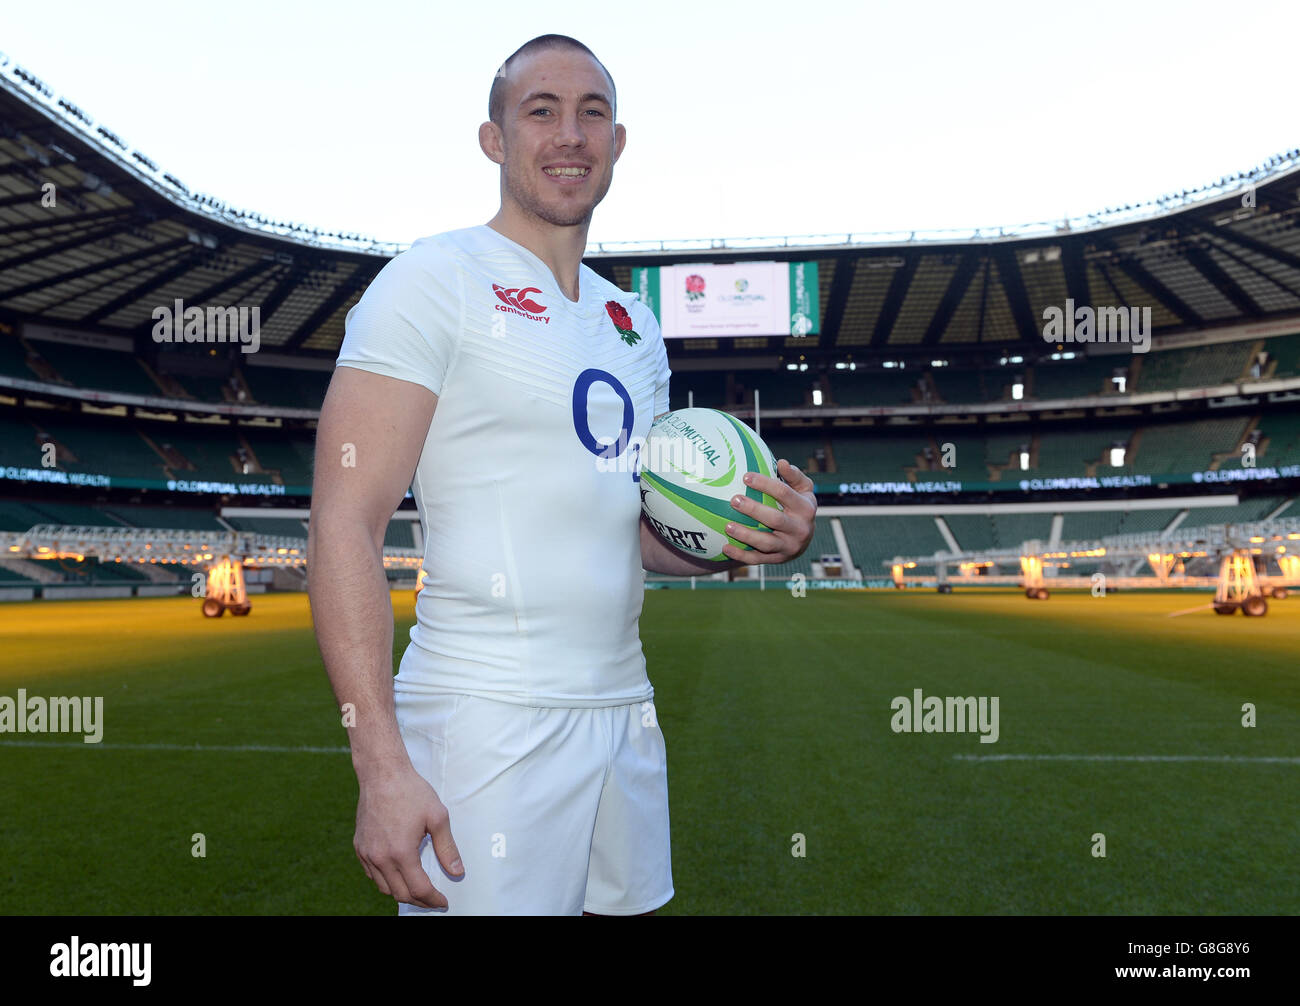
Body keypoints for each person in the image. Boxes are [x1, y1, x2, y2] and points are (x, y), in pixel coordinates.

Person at [307, 33, 817, 916]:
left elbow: (641, 536)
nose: (569, 134)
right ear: (493, 139)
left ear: (619, 143)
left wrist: (743, 537)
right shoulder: (433, 280)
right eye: (540, 111)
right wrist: (381, 763)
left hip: (627, 707)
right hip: (486, 716)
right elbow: (344, 522)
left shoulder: (633, 323)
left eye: (593, 114)